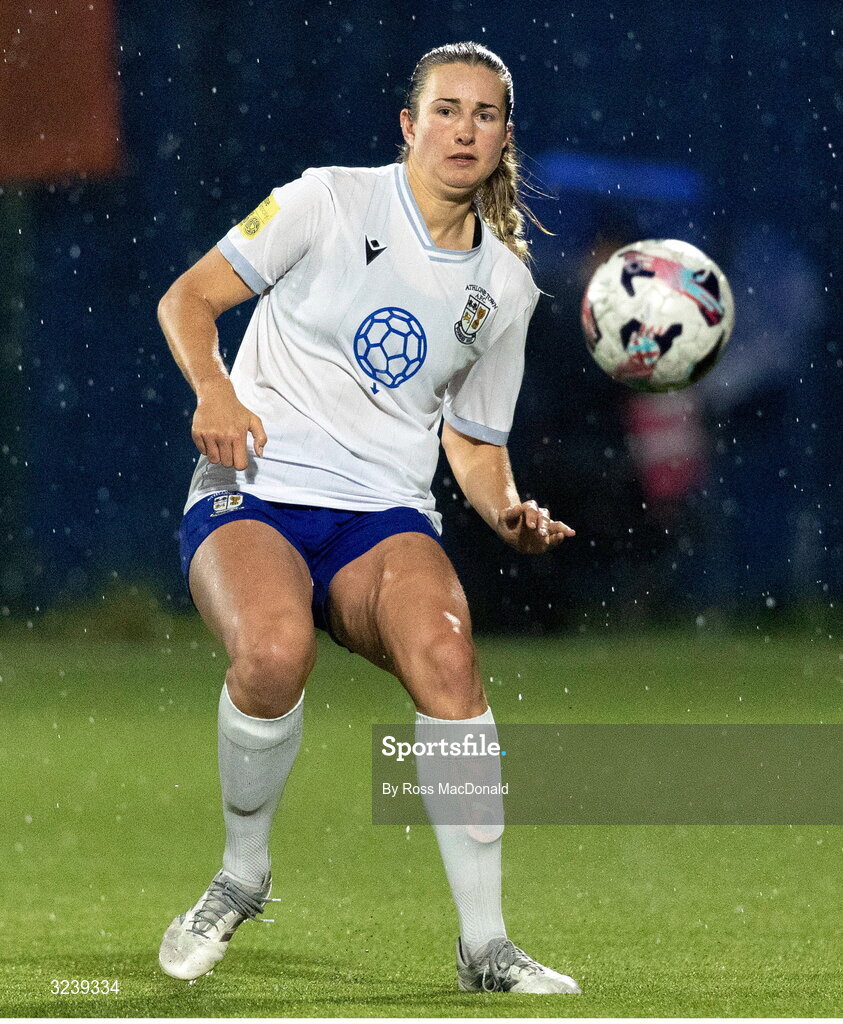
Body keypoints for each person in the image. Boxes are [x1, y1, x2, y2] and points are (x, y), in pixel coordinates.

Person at [156, 41, 580, 995]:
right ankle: (241, 874)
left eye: (483, 114)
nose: (462, 129)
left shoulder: (504, 288)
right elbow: (188, 299)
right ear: (409, 124)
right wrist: (215, 393)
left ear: (504, 136)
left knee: (450, 666)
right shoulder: (327, 200)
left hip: (381, 514)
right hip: (255, 490)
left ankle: (485, 950)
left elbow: (471, 441)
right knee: (270, 656)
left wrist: (506, 510)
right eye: (445, 109)